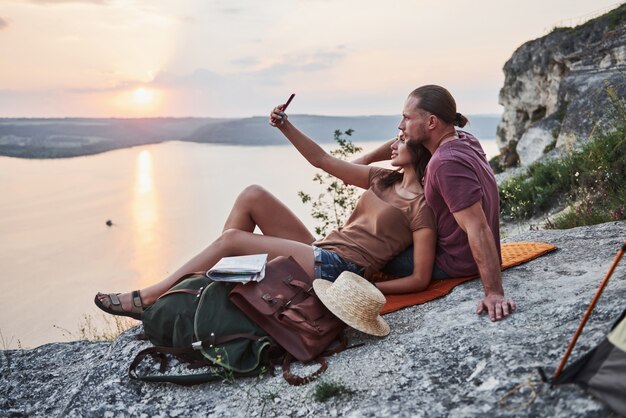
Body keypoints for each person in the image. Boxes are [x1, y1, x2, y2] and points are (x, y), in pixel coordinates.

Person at [95, 102, 437, 319]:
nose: (392, 143)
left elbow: (420, 278)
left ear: (420, 150)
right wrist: (285, 125)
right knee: (253, 195)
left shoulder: (421, 207)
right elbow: (322, 160)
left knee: (231, 240)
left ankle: (154, 298)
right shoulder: (382, 179)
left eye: (401, 138)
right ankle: (201, 292)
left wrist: (362, 288)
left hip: (342, 271)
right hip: (321, 251)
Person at [356, 85, 515, 322]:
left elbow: (477, 227)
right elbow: (405, 138)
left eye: (407, 118)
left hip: (455, 263)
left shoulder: (445, 163)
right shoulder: (464, 139)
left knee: (367, 251)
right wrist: (366, 159)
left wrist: (493, 292)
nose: (400, 126)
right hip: (462, 255)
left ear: (431, 122)